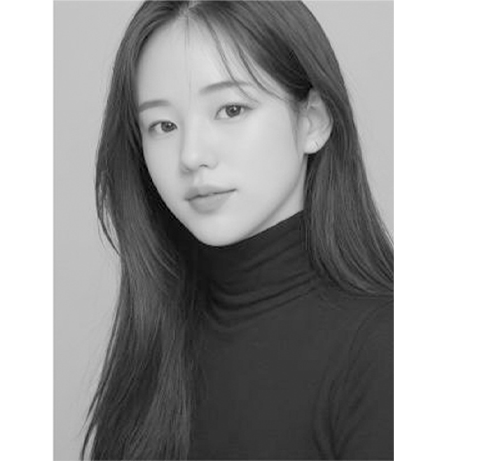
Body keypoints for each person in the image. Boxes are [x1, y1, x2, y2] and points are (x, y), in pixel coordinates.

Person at [83, 1, 394, 459]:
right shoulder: (154, 340)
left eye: (231, 109)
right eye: (163, 125)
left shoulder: (385, 349)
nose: (192, 155)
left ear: (312, 120)